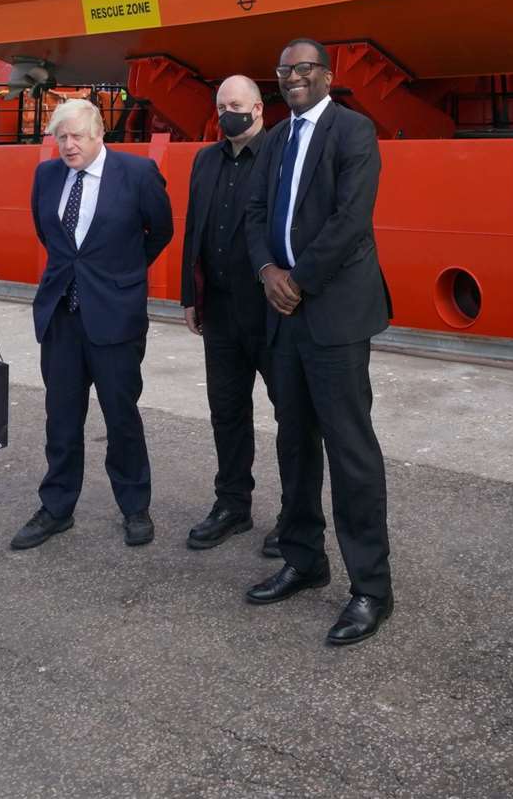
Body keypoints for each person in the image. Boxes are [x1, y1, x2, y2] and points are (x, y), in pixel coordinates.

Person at [244, 39, 393, 646]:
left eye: (304, 69)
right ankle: (305, 559)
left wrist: (297, 280)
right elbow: (256, 214)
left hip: (333, 314)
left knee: (350, 450)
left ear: (326, 75)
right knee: (294, 444)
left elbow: (351, 221)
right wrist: (266, 274)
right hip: (284, 314)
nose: (293, 78)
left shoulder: (354, 132)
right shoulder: (275, 140)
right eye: (284, 70)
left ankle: (371, 590)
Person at [11, 100, 173, 551]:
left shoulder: (136, 175)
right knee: (60, 417)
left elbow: (159, 230)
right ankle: (57, 507)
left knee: (121, 415)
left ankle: (135, 506)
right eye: (61, 137)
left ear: (100, 133)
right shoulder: (47, 176)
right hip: (62, 314)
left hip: (114, 315)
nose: (68, 145)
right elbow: (52, 238)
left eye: (77, 135)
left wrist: (122, 274)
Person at [180, 75, 285, 557]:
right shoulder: (204, 160)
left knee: (292, 414)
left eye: (236, 105)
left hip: (271, 311)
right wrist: (189, 297)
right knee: (226, 411)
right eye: (221, 106)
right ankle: (232, 504)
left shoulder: (280, 157)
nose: (228, 113)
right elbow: (194, 231)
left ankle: (295, 515)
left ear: (260, 108)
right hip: (219, 309)